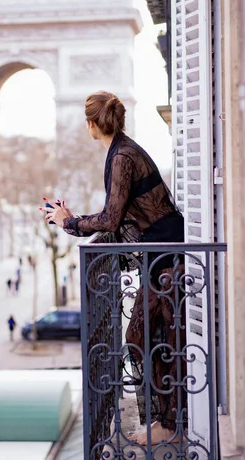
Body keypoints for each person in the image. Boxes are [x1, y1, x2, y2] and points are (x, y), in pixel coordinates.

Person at [40, 91, 185, 446]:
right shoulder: (122, 150)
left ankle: (168, 422)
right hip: (159, 254)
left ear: (92, 123)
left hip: (165, 256)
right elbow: (118, 217)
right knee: (147, 338)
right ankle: (166, 419)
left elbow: (111, 218)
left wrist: (69, 222)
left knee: (146, 338)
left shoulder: (121, 156)